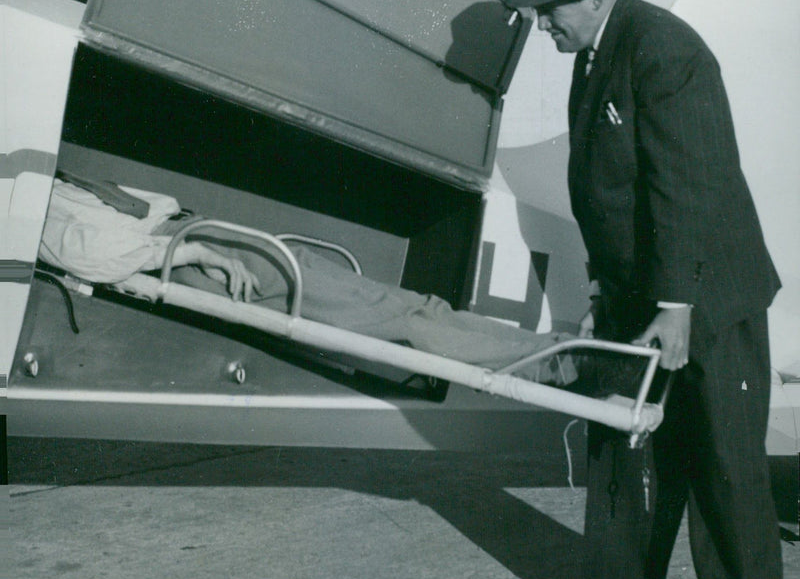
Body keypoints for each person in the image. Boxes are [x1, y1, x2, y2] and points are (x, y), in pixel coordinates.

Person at [505, 0, 782, 579]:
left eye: (550, 8)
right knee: (623, 444)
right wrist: (602, 289)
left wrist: (676, 308)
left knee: (722, 457)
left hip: (704, 292)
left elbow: (687, 187)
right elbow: (606, 189)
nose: (541, 22)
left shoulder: (666, 51)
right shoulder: (596, 50)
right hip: (638, 290)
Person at [37, 175, 576, 381]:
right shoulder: (28, 203)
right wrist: (200, 250)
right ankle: (551, 364)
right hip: (207, 256)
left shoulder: (47, 179)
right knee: (403, 318)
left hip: (218, 243)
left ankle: (550, 351)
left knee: (412, 308)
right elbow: (93, 257)